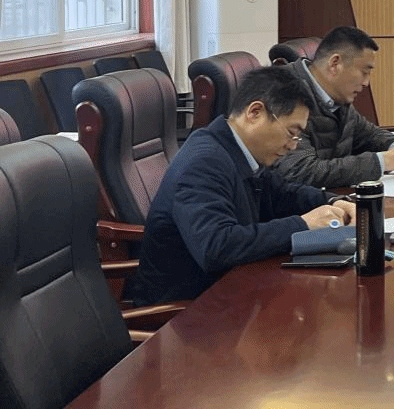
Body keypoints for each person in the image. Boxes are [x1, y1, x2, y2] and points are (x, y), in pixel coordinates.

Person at [127, 66, 354, 305]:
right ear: (255, 112)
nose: (293, 145)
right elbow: (216, 247)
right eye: (291, 132)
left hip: (230, 292)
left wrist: (334, 202)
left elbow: (283, 194)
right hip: (187, 312)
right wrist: (304, 224)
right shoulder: (204, 162)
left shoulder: (236, 150)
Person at [274, 26, 394, 188]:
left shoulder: (335, 96)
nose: (366, 83)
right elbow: (301, 171)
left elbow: (367, 134)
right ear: (335, 64)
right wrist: (385, 161)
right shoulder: (284, 94)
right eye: (364, 72)